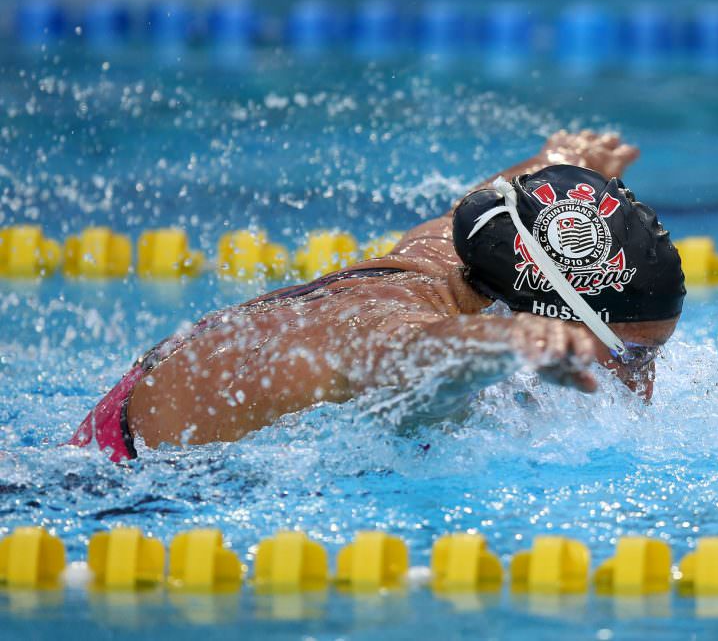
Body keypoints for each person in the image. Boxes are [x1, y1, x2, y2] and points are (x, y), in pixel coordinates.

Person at [69, 130, 686, 462]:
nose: (644, 387)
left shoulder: (464, 256)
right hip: (113, 486)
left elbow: (497, 204)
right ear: (543, 316)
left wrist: (562, 159)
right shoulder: (375, 324)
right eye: (632, 356)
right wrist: (505, 342)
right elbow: (410, 355)